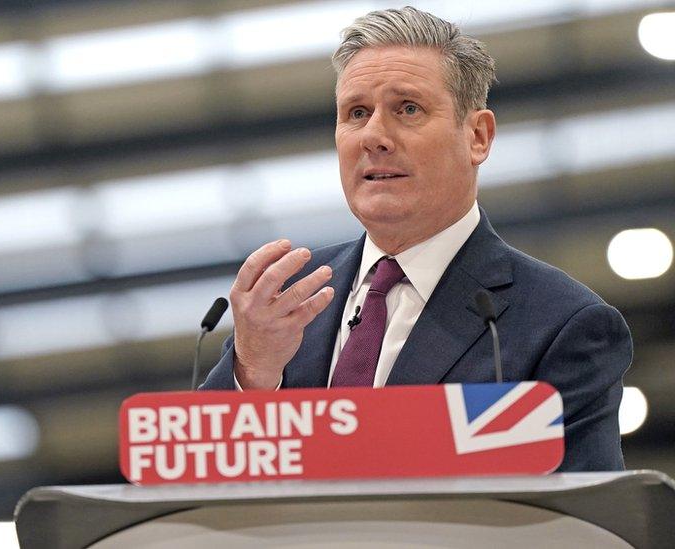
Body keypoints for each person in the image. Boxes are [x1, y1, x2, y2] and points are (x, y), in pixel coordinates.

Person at [199, 7, 632, 472]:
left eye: (408, 109)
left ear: (478, 137)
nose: (375, 136)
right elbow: (196, 486)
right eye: (357, 113)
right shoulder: (286, 303)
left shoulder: (561, 324)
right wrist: (254, 372)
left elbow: (585, 523)